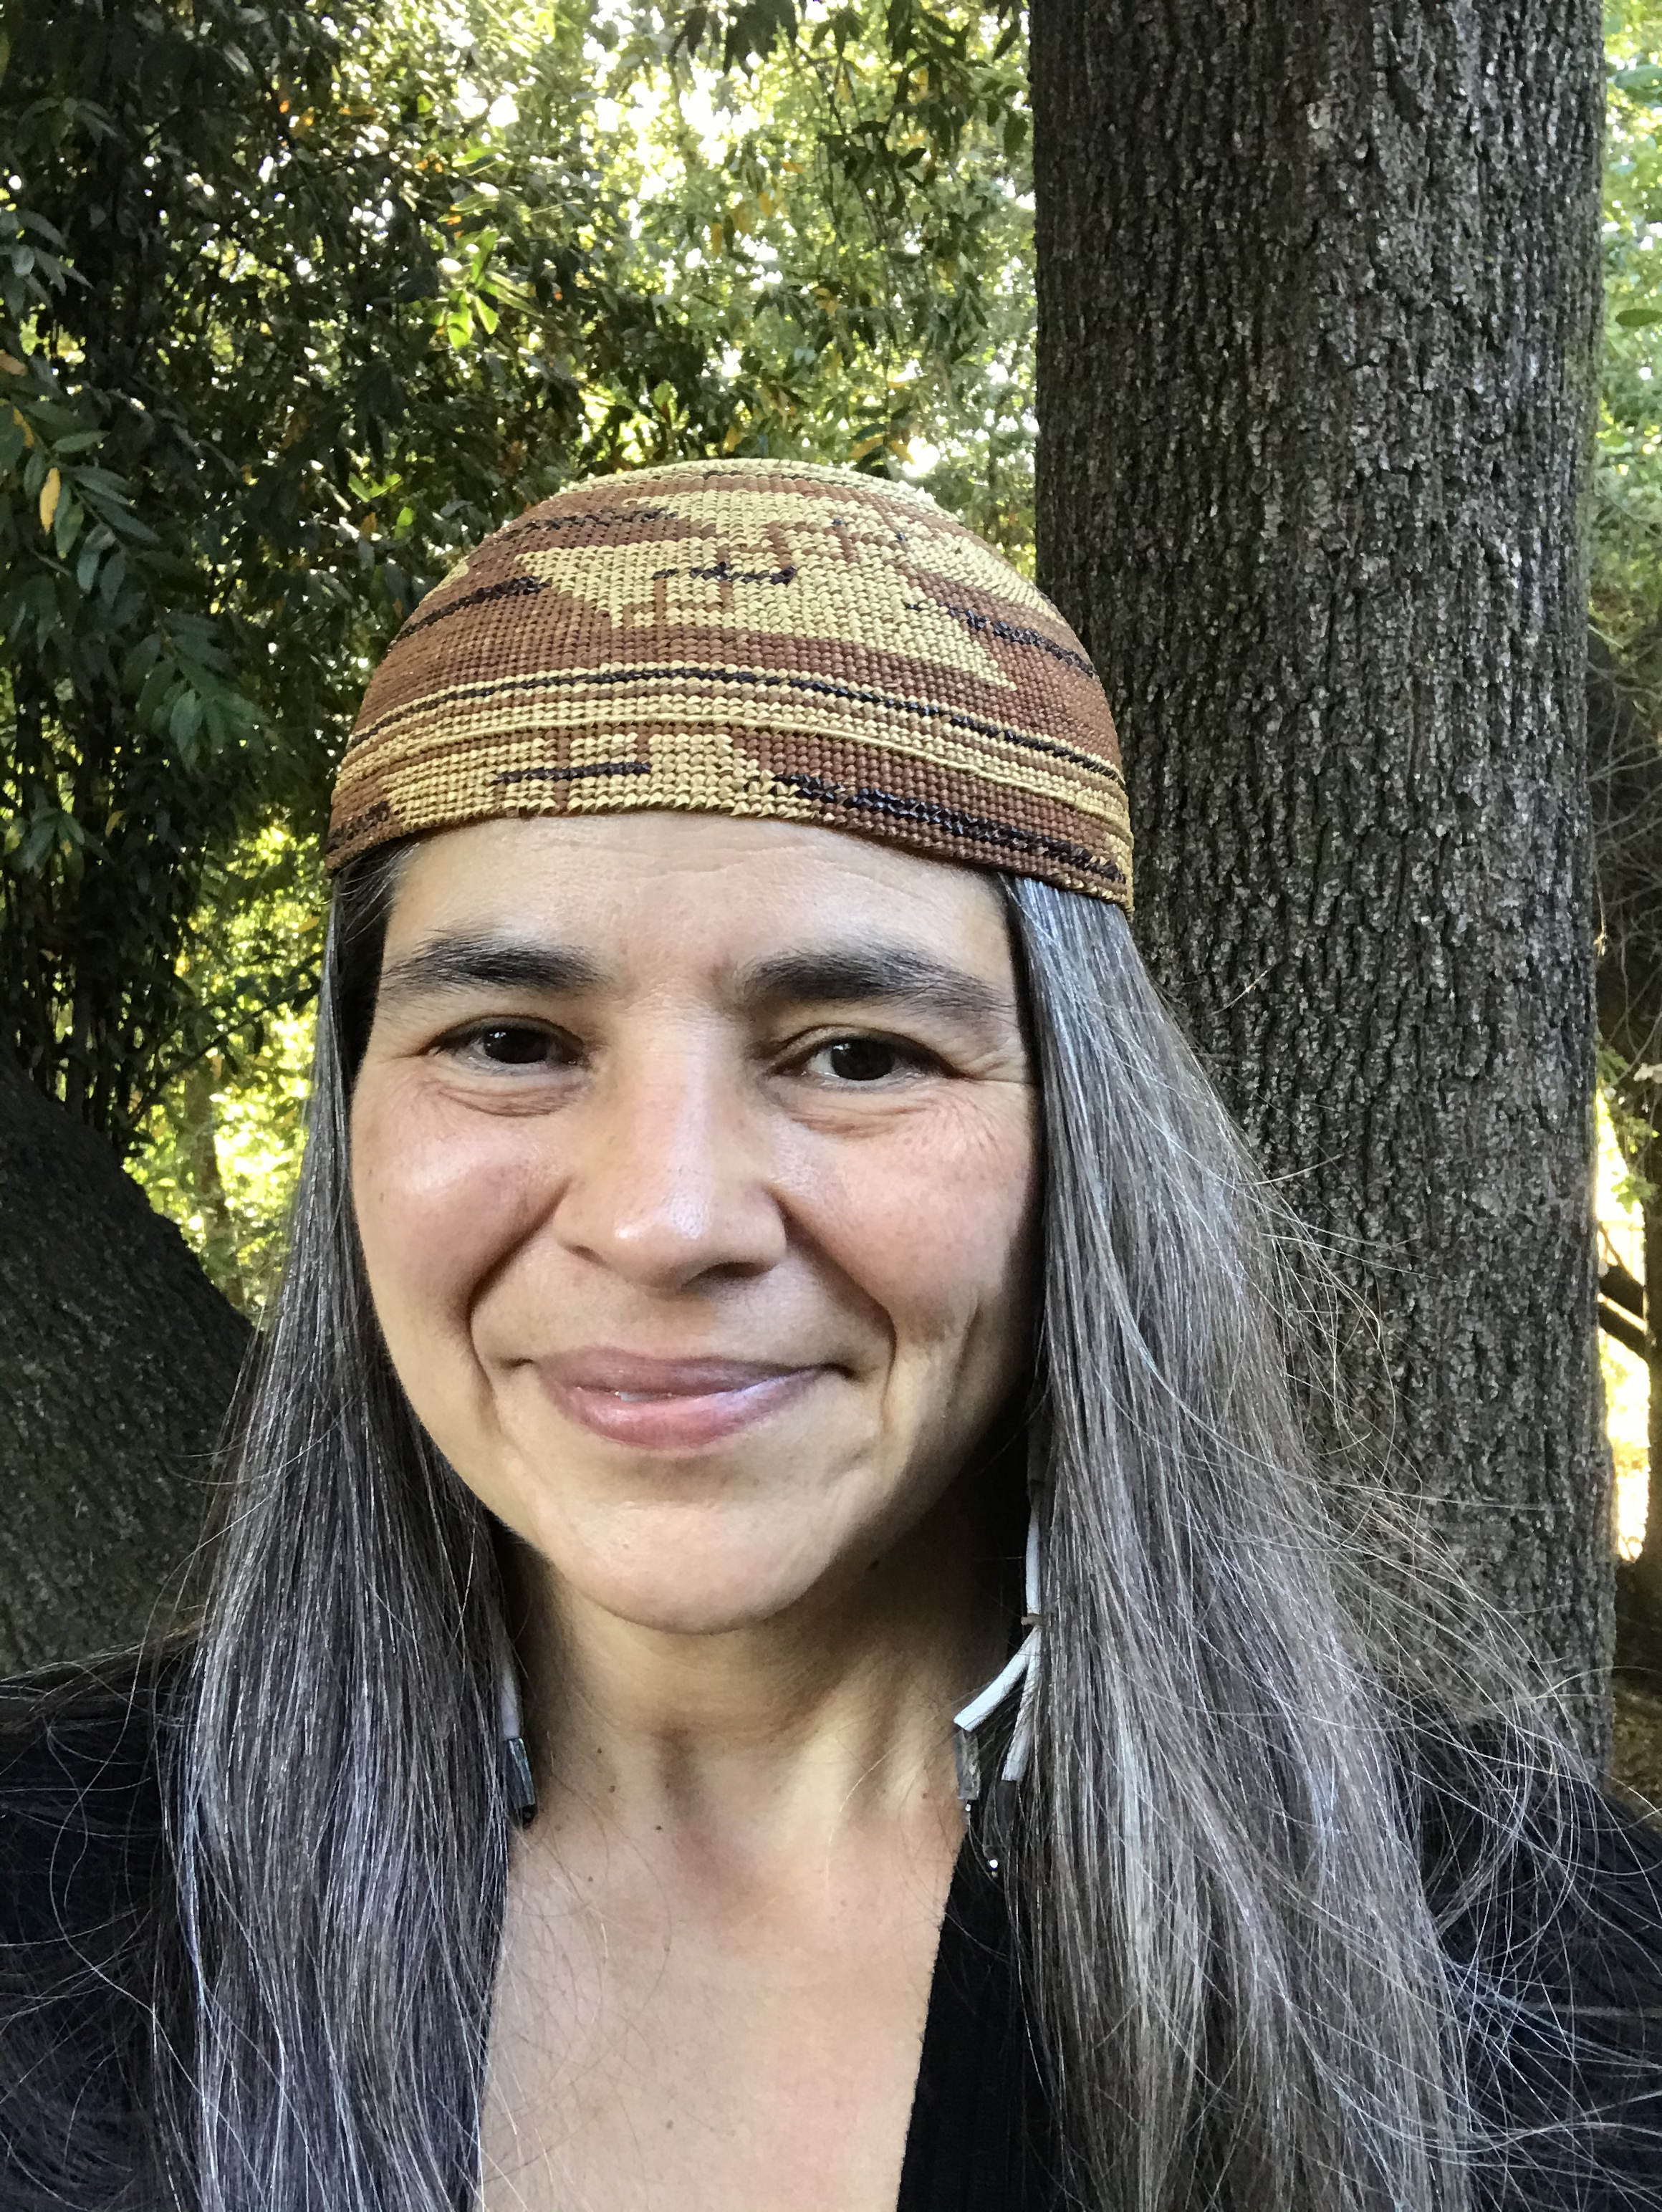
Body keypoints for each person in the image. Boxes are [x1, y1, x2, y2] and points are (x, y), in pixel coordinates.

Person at [3, 459, 1659, 2212]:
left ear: (1084, 1146)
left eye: (857, 1051)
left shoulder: (1555, 1995)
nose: (661, 1215)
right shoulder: (44, 1904)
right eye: (507, 1038)